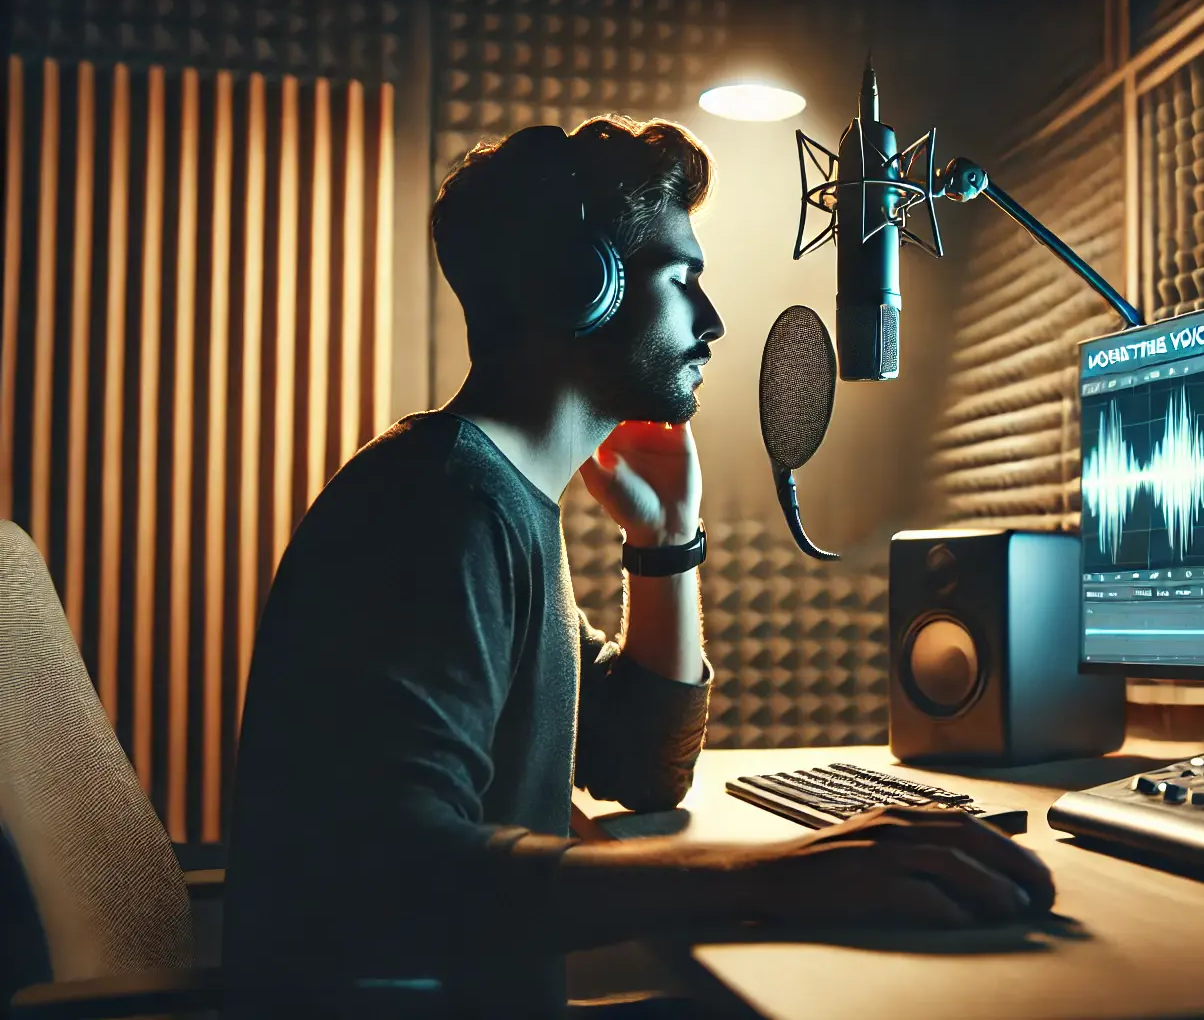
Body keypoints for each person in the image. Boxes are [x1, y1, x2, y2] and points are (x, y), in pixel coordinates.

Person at [222, 114, 1054, 1016]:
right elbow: (392, 875)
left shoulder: (495, 497)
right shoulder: (438, 507)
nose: (713, 319)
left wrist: (666, 543)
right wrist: (764, 876)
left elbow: (638, 765)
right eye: (683, 277)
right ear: (582, 286)